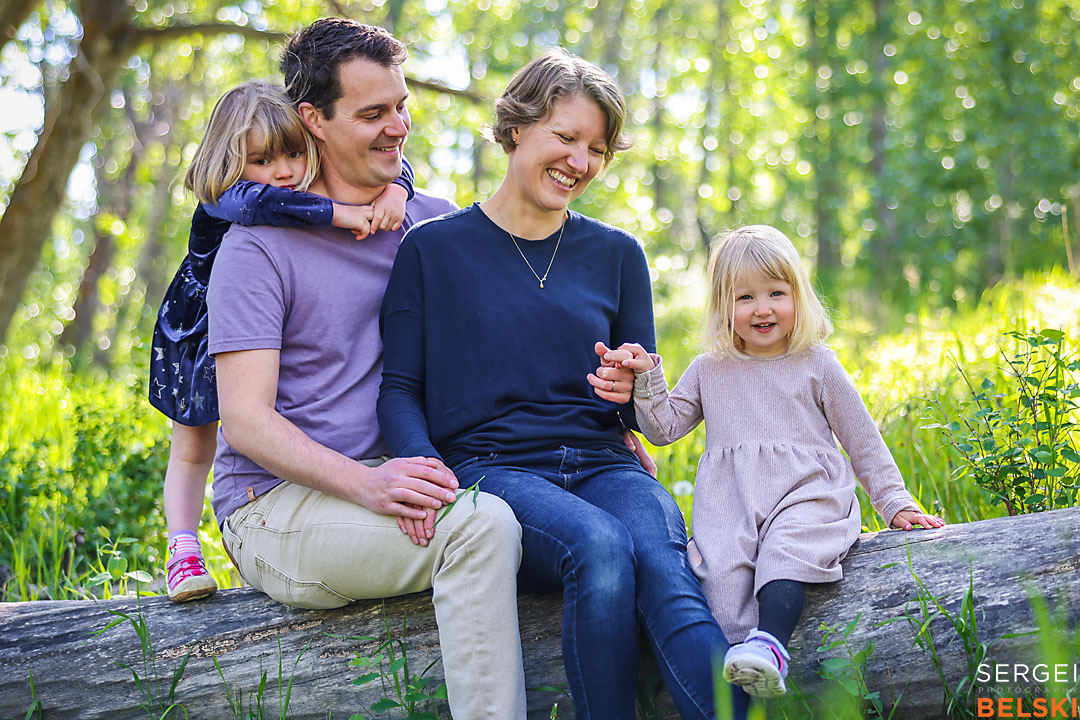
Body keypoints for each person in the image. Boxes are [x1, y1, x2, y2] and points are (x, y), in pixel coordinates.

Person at [378, 49, 739, 720]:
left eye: (596, 149)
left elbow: (642, 410)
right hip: (494, 473)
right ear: (516, 127)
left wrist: (633, 384)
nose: (581, 161)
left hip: (605, 465)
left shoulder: (618, 254)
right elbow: (398, 388)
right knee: (600, 548)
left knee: (667, 569)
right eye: (565, 137)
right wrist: (422, 469)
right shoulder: (432, 250)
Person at [206, 20, 527, 719]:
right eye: (373, 113)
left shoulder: (429, 224)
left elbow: (523, 338)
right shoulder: (255, 249)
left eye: (402, 106)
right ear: (312, 120)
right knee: (483, 528)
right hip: (273, 507)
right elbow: (245, 419)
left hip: (394, 480)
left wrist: (609, 421)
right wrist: (369, 484)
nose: (398, 127)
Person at [613, 224, 945, 698]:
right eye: (745, 297)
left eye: (776, 293)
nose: (763, 308)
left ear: (798, 296)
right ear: (723, 307)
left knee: (784, 554)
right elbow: (665, 428)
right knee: (720, 580)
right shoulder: (709, 368)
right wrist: (647, 378)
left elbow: (862, 439)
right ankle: (737, 681)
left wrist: (895, 503)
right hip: (734, 501)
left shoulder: (817, 363)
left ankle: (769, 644)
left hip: (807, 493)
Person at [149, 79, 412, 603]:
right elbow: (269, 205)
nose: (285, 171)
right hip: (199, 326)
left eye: (295, 153)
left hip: (252, 318)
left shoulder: (298, 186)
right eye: (264, 159)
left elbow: (397, 164)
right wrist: (341, 213)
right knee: (194, 440)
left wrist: (398, 189)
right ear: (230, 161)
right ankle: (182, 548)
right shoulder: (230, 199)